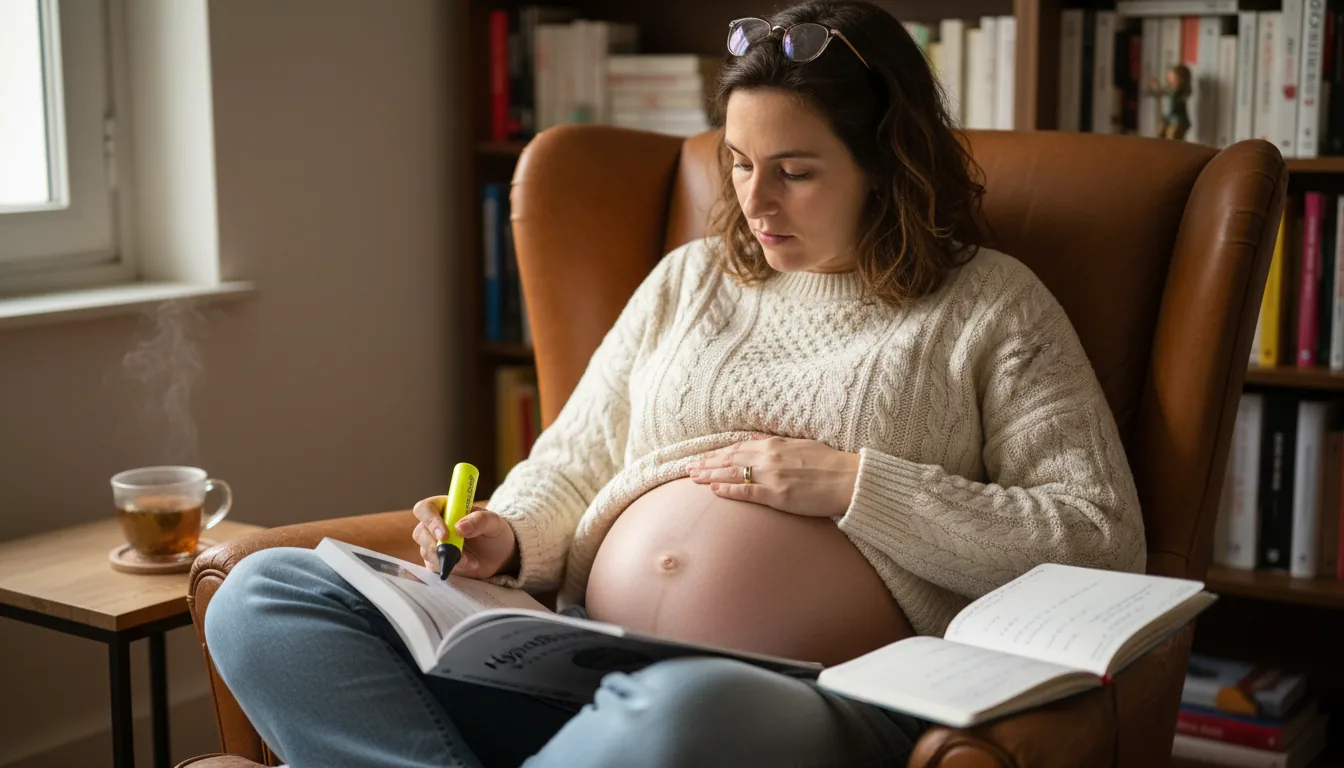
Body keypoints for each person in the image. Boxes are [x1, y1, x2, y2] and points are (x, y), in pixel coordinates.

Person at [203, 2, 1146, 766]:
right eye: (737, 163)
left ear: (885, 164)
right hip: (573, 666)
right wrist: (510, 534)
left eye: (796, 171)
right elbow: (573, 459)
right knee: (264, 595)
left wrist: (859, 487)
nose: (754, 200)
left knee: (676, 710)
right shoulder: (690, 281)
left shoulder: (989, 305)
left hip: (796, 703)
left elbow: (1099, 539)